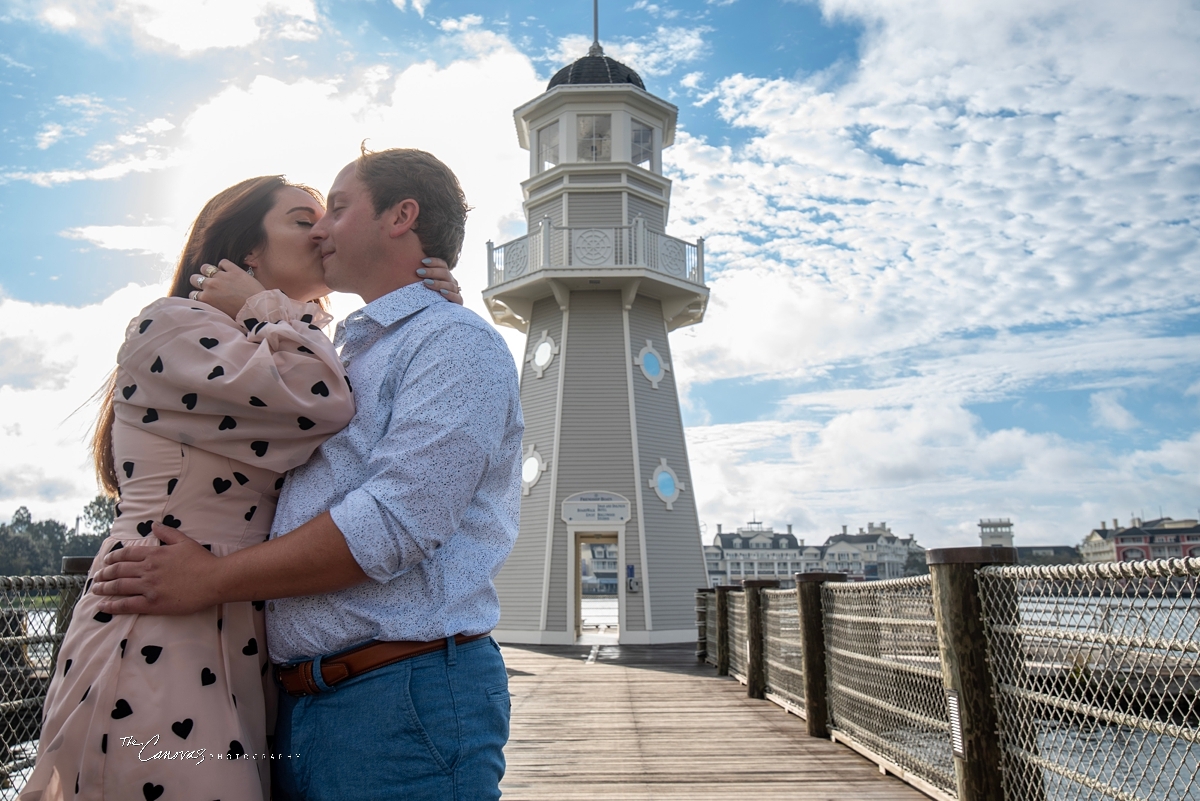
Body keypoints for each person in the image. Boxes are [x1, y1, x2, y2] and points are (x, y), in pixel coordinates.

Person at [93, 148, 524, 801]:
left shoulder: (451, 341)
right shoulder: (343, 348)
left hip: (398, 694)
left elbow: (391, 524)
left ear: (402, 215)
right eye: (308, 218)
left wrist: (210, 580)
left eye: (339, 208)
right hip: (295, 695)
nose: (322, 229)